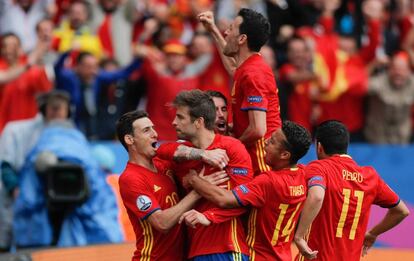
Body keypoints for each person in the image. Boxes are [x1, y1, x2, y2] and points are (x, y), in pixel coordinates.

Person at [180, 121, 312, 261]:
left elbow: (225, 199)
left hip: (259, 257)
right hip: (284, 256)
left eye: (272, 142)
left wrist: (194, 180)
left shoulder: (268, 181)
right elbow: (317, 197)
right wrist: (299, 236)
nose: (266, 142)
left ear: (285, 155)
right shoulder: (302, 174)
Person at [116, 110, 227, 260]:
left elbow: (179, 147)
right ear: (130, 140)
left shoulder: (164, 164)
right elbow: (162, 223)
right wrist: (199, 190)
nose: (155, 134)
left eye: (153, 128)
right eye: (146, 130)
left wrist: (202, 153)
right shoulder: (131, 178)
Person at [156, 90, 253, 260]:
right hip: (195, 250)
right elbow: (161, 150)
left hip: (227, 249)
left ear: (199, 122)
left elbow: (244, 201)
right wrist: (201, 154)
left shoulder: (231, 148)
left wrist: (208, 216)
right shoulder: (183, 155)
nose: (173, 122)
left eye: (180, 117)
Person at [294, 120, 410, 261]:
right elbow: (402, 211)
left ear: (319, 147)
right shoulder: (370, 176)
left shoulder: (319, 168)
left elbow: (317, 196)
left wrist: (299, 236)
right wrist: (373, 233)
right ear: (346, 146)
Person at [198, 8, 282, 175]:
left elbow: (258, 130)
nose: (226, 32)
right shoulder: (247, 68)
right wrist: (213, 30)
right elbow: (232, 67)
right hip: (254, 155)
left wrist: (232, 144)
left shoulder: (254, 73)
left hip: (262, 160)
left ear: (242, 39)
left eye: (231, 28)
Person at [0, 90, 71, 251]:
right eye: (53, 108)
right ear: (44, 109)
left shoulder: (70, 135)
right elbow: (6, 165)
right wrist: (15, 189)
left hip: (56, 204)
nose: (57, 113)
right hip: (24, 201)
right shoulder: (17, 131)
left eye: (61, 108)